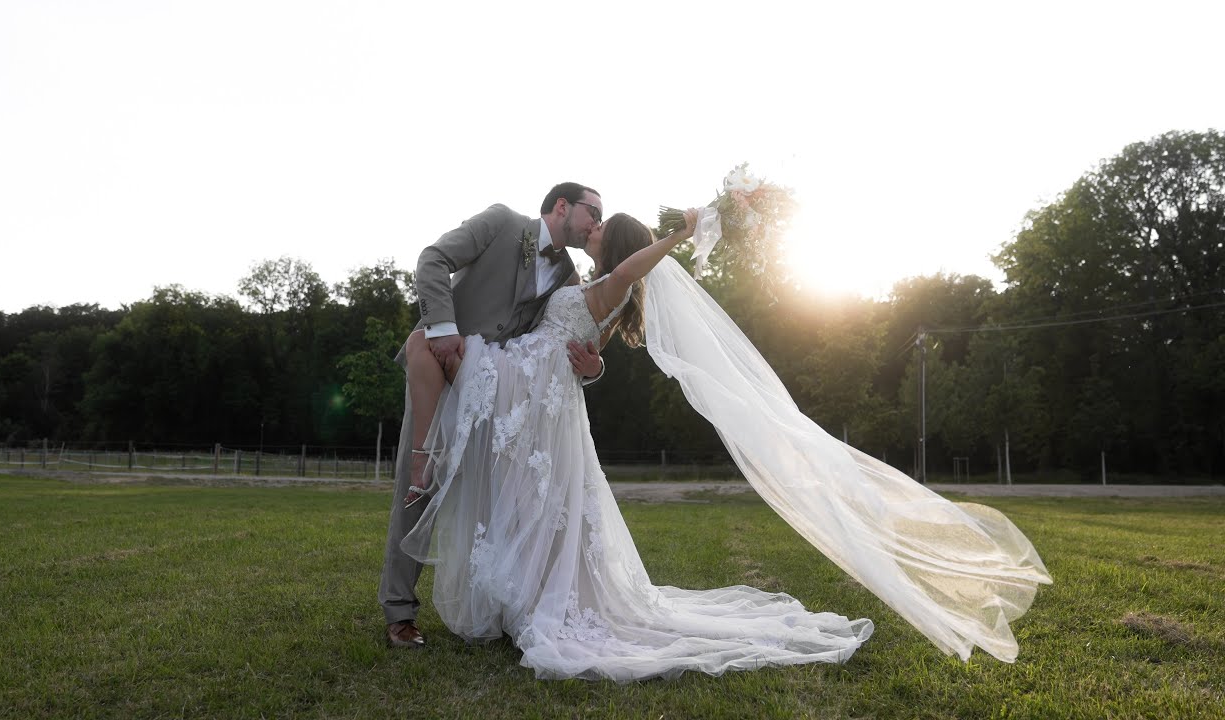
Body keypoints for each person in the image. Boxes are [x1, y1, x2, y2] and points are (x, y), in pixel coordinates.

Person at [400, 210, 1052, 682]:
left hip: (539, 399)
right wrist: (590, 364)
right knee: (541, 508)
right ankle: (525, 593)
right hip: (542, 401)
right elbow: (582, 345)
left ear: (617, 246)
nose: (591, 229)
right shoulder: (585, 284)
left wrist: (678, 236)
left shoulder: (611, 283)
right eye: (590, 222)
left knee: (536, 494)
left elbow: (625, 273)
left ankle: (494, 549)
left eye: (600, 227)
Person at [381, 183, 607, 649]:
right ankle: (399, 612)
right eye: (594, 212)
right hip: (441, 369)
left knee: (499, 498)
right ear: (562, 206)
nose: (596, 224)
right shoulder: (502, 222)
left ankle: (504, 607)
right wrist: (443, 328)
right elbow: (432, 259)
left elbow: (571, 341)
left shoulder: (569, 277)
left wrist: (595, 368)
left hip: (499, 396)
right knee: (418, 484)